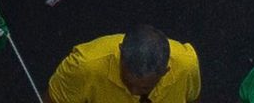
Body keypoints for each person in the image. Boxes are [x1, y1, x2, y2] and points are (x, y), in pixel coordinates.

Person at [49, 27, 205, 103]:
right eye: (127, 82)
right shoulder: (83, 67)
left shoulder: (186, 66)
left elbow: (192, 98)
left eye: (145, 88)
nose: (134, 92)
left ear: (166, 71)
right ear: (120, 54)